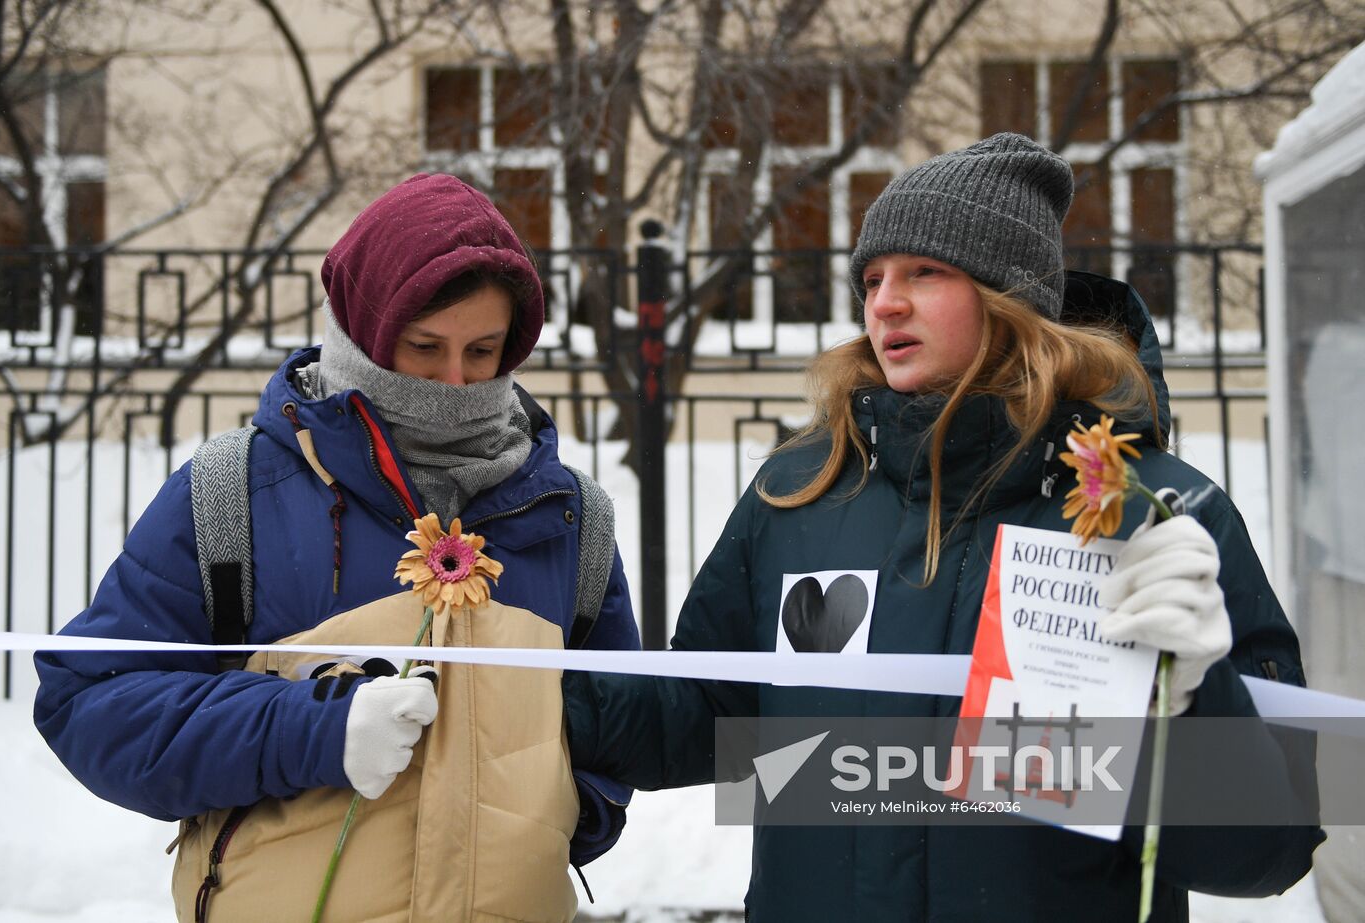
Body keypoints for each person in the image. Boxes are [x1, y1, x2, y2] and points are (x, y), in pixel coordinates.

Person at [563, 134, 1322, 921]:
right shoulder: (799, 492)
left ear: (1009, 296)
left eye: (924, 271)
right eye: (873, 278)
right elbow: (710, 718)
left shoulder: (1157, 515)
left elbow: (1269, 850)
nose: (884, 302)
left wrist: (1196, 701)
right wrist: (520, 695)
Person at [34, 174, 641, 922]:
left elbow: (620, 725)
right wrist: (309, 728)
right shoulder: (233, 493)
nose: (454, 382)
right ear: (363, 330)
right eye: (424, 347)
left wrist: (566, 810)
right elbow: (90, 702)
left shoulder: (569, 517)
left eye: (482, 351)